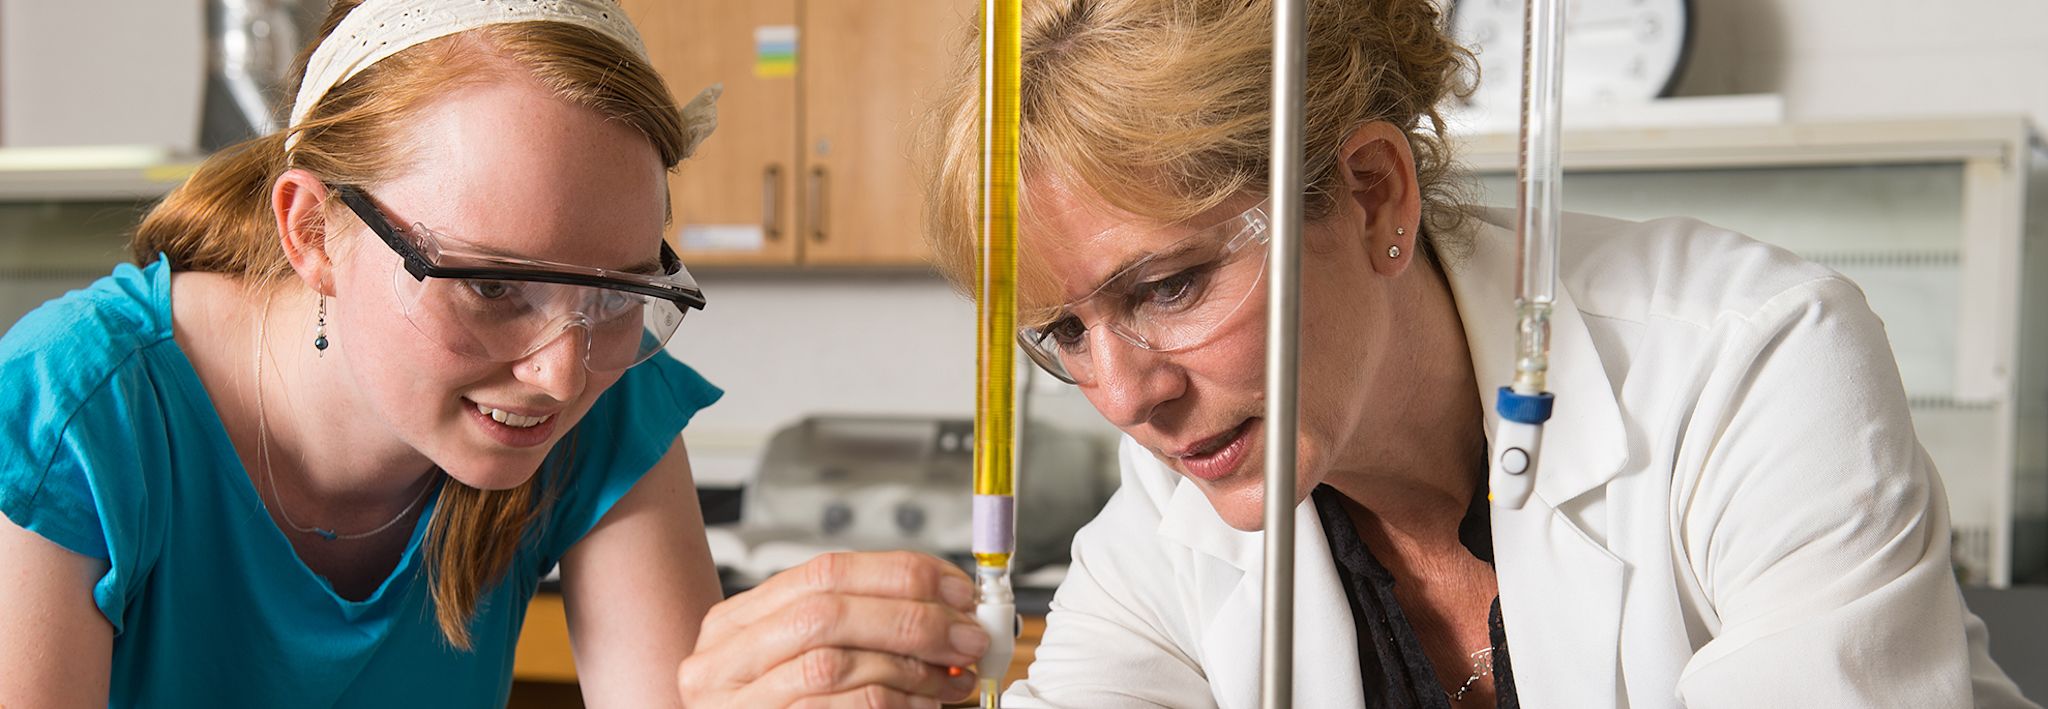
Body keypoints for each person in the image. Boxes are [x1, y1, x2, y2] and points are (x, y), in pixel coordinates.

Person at [681, 0, 2038, 707]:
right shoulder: (1172, 522)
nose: (1126, 396)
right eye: (1064, 333)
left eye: (1168, 285)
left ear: (1377, 194)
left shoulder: (1750, 367)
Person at [0, 1, 751, 705]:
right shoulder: (73, 414)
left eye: (618, 294)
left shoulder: (606, 388)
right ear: (313, 231)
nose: (559, 374)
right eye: (490, 286)